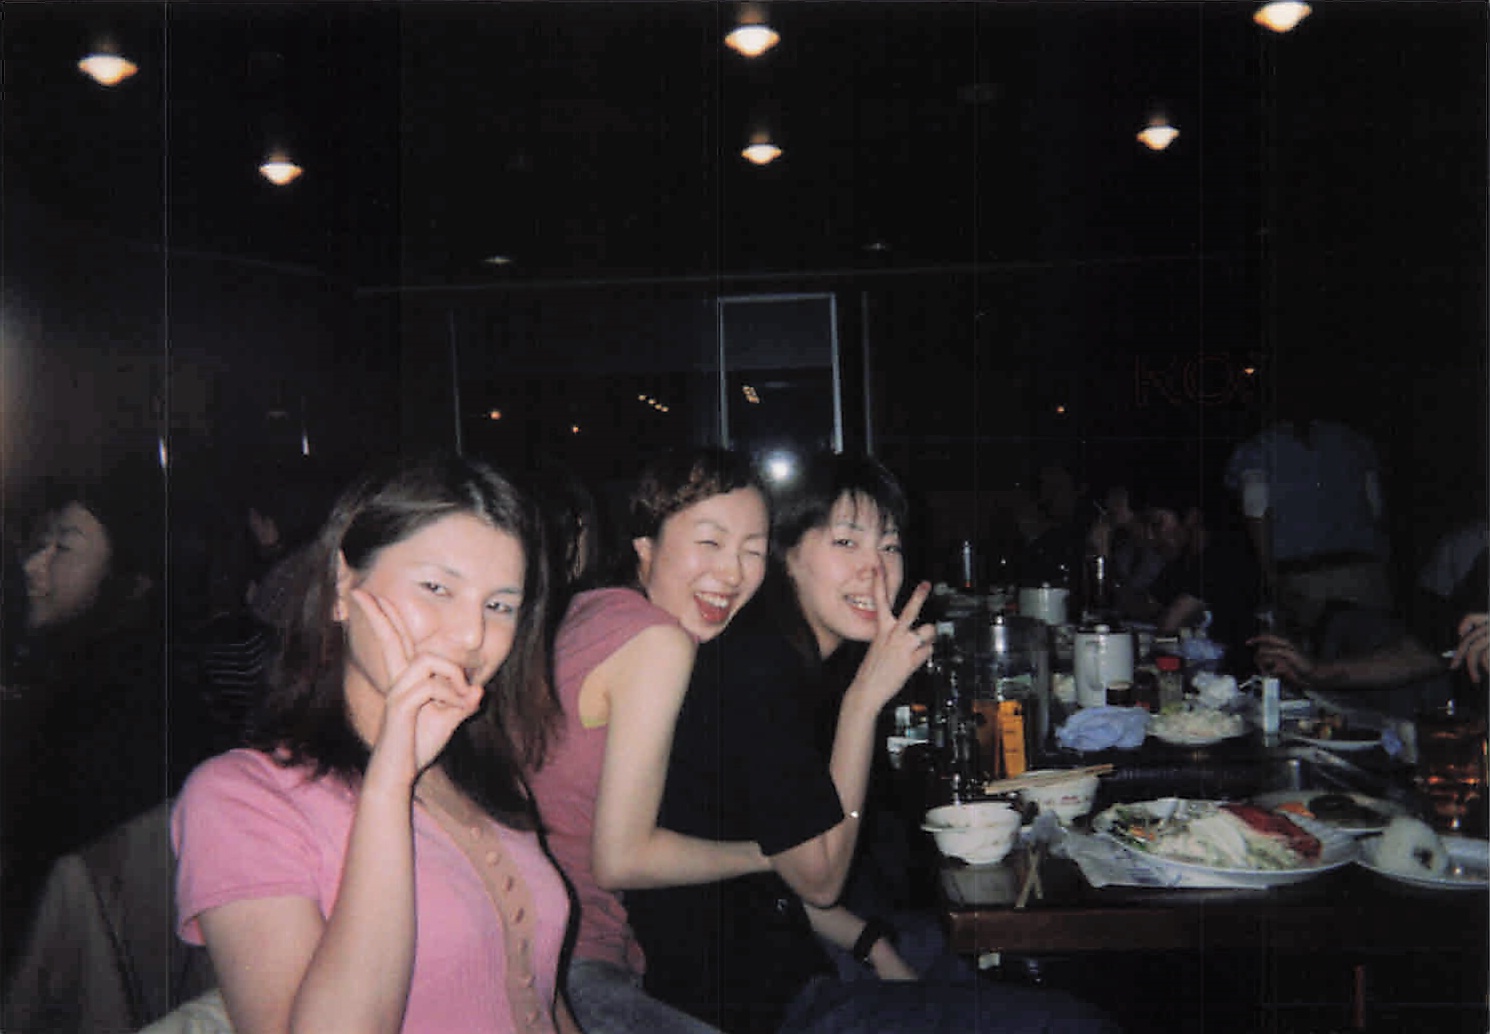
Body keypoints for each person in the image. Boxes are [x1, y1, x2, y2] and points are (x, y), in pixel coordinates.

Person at [627, 450, 1122, 1034]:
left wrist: (873, 945)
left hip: (796, 945)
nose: (875, 569)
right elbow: (819, 879)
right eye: (846, 542)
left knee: (1016, 968)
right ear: (786, 556)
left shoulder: (792, 659)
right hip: (750, 1001)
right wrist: (866, 699)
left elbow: (788, 870)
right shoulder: (757, 671)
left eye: (889, 546)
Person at [169, 451, 579, 1034]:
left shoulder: (484, 770)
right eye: (437, 587)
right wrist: (390, 777)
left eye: (499, 606)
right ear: (343, 584)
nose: (472, 634)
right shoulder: (239, 798)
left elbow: (542, 996)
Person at [524, 447, 776, 1034]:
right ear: (646, 544)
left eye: (754, 551)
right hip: (571, 965)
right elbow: (623, 858)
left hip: (546, 949)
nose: (733, 573)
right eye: (710, 542)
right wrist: (773, 854)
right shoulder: (658, 640)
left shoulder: (589, 610)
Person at [1, 459, 172, 983]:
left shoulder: (116, 696)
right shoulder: (55, 665)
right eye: (40, 544)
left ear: (128, 576)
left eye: (64, 549)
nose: (34, 566)